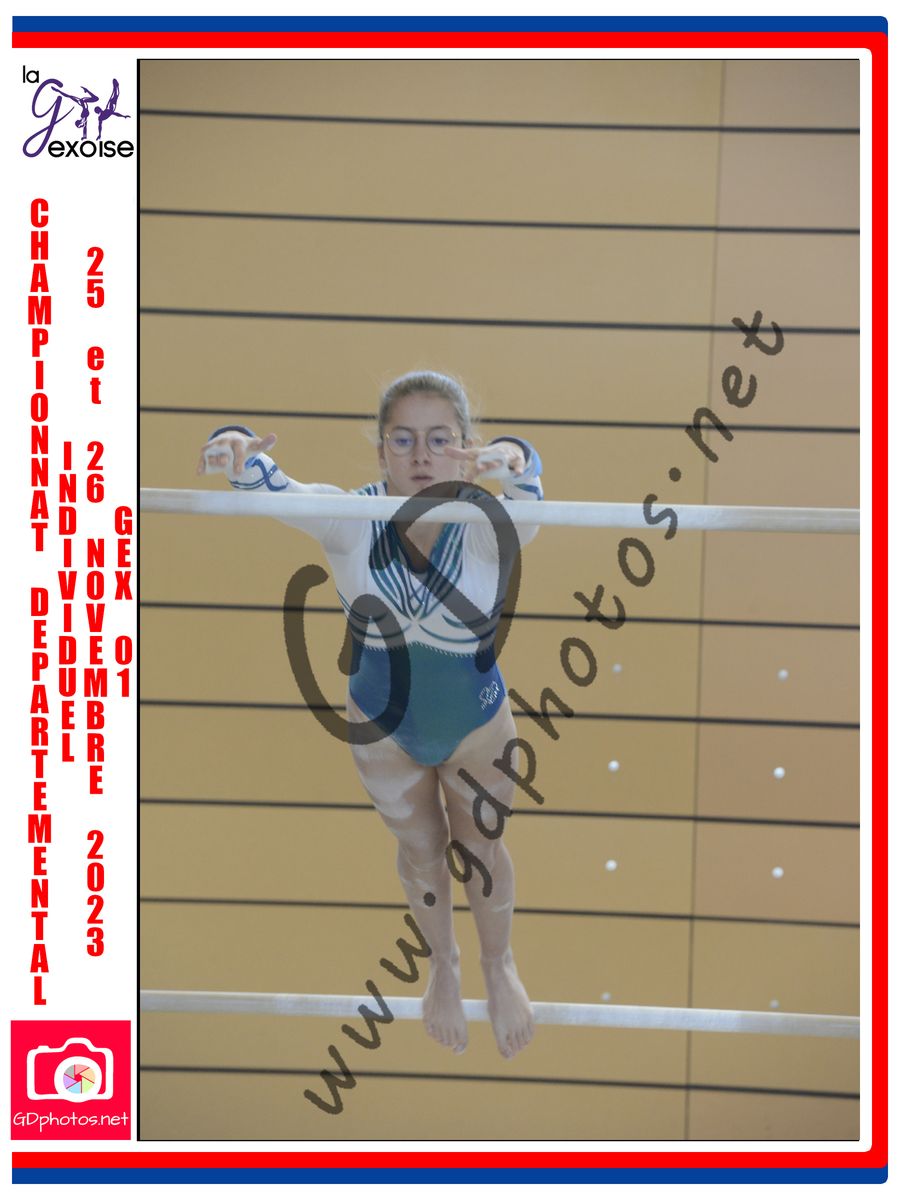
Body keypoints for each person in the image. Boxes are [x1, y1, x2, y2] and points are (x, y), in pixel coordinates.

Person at [196, 371, 544, 1059]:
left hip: (476, 727)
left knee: (480, 847)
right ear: (381, 450)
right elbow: (275, 488)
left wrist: (515, 462)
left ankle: (498, 963)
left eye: (440, 440)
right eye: (404, 440)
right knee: (420, 853)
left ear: (466, 448)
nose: (421, 455)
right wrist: (234, 450)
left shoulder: (483, 525)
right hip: (385, 730)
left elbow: (529, 506)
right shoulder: (350, 520)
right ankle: (442, 965)